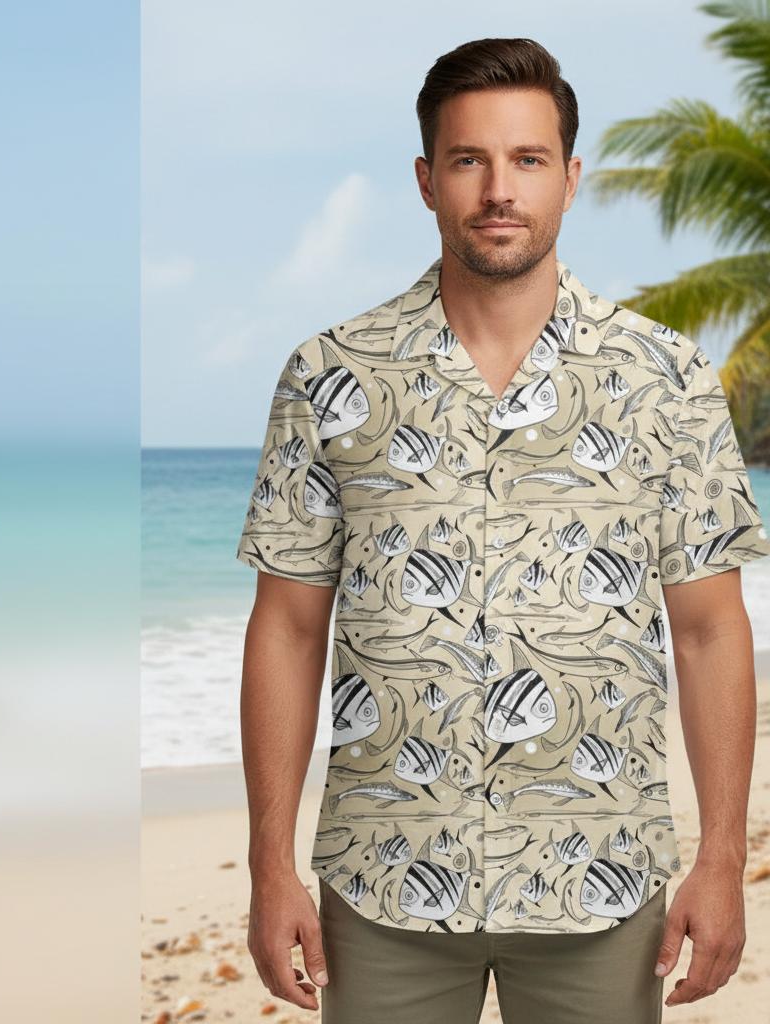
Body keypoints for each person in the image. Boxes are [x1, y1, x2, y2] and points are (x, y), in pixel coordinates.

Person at [233, 36, 770, 1024]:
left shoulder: (666, 380)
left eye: (526, 161)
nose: (498, 190)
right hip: (383, 885)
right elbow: (286, 627)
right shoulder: (330, 375)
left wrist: (720, 860)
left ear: (569, 178)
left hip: (601, 888)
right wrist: (271, 868)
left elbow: (706, 629)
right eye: (469, 160)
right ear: (426, 179)